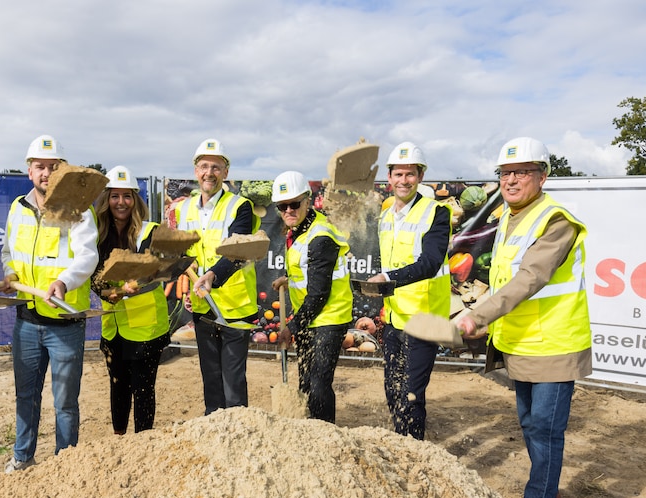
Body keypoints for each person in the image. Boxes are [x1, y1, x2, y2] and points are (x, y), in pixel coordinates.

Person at [455, 136, 591, 498]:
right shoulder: (509, 219)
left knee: (545, 430)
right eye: (505, 173)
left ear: (542, 176)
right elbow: (502, 280)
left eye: (522, 172)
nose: (511, 180)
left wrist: (479, 316)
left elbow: (530, 278)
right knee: (531, 425)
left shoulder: (556, 222)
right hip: (521, 341)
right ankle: (550, 492)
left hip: (555, 344)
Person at [0, 134, 99, 472]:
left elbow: (87, 256)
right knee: (26, 395)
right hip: (27, 320)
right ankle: (22, 457)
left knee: (65, 402)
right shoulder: (18, 207)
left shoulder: (78, 209)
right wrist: (10, 273)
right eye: (40, 166)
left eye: (53, 167)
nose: (46, 173)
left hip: (65, 324)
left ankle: (63, 463)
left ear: (63, 171)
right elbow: (9, 250)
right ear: (29, 171)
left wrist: (63, 282)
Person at [366, 142, 452, 440]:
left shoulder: (436, 213)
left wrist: (387, 278)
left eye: (410, 174)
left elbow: (430, 263)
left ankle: (413, 450)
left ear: (421, 176)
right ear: (389, 177)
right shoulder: (386, 216)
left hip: (425, 319)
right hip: (394, 318)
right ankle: (401, 443)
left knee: (411, 394)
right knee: (393, 390)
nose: (404, 180)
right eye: (398, 174)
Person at [173, 138, 259, 414]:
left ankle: (238, 433)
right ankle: (213, 432)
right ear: (195, 171)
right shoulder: (183, 209)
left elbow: (238, 252)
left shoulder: (240, 206)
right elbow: (183, 252)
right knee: (211, 382)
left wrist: (211, 275)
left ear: (226, 172)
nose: (209, 173)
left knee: (233, 385)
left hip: (235, 306)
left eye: (216, 167)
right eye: (204, 166)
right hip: (203, 306)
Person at [91, 165, 170, 434]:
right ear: (106, 199)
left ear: (136, 200)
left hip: (146, 326)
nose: (121, 202)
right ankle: (120, 438)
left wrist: (131, 285)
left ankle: (143, 441)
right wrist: (106, 292)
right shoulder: (98, 235)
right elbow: (94, 276)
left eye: (127, 196)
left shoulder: (150, 231)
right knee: (118, 385)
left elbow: (153, 270)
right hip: (113, 325)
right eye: (115, 196)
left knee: (143, 388)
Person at [270, 171, 352, 423]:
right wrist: (288, 279)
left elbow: (318, 293)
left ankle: (324, 433)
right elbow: (308, 271)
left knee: (318, 383)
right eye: (282, 206)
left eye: (294, 204)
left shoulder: (320, 237)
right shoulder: (297, 230)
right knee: (305, 380)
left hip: (329, 317)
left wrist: (291, 327)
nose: (289, 210)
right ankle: (308, 429)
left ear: (307, 200)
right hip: (310, 317)